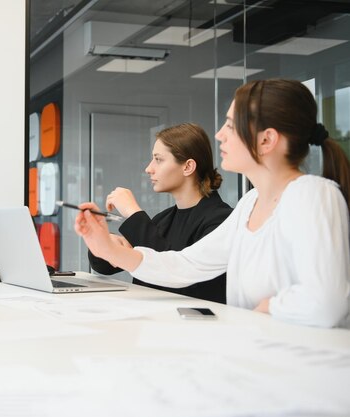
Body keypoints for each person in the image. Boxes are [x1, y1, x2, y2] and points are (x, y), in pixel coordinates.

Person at [75, 79, 350, 328]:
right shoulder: (250, 203)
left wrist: (267, 309)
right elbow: (187, 264)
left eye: (231, 125)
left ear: (266, 140)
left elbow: (326, 302)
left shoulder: (313, 195)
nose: (219, 134)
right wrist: (107, 249)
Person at [88, 123, 232, 303]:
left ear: (187, 167)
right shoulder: (162, 219)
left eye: (158, 159)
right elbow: (103, 267)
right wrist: (105, 242)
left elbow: (176, 277)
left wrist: (133, 213)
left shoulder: (222, 220)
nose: (149, 168)